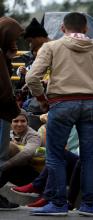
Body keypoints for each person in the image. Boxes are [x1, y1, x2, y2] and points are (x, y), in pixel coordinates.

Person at [26, 12, 93, 216]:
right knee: (90, 157)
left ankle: (59, 204)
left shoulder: (51, 47)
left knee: (55, 156)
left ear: (63, 28)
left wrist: (43, 100)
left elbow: (32, 78)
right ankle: (89, 205)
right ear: (86, 28)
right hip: (91, 105)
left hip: (61, 104)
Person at [11, 110, 93, 209]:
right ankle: (46, 195)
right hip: (79, 168)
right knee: (61, 157)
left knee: (62, 154)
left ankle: (40, 188)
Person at [0, 16, 24, 211]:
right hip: (1, 111)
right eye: (13, 38)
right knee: (0, 156)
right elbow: (5, 89)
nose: (16, 42)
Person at [0, 110, 41, 189]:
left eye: (23, 121)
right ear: (11, 122)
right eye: (16, 121)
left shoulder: (34, 135)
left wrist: (4, 165)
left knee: (8, 169)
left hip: (35, 175)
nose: (19, 124)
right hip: (14, 170)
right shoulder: (9, 133)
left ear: (27, 122)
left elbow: (28, 153)